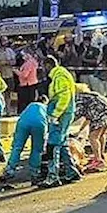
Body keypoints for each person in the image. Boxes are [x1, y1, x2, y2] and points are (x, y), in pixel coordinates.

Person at [38, 55, 81, 187]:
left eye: (43, 66)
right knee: (62, 143)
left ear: (48, 65)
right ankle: (71, 172)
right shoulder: (61, 74)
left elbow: (64, 97)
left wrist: (55, 115)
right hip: (64, 114)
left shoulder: (59, 76)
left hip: (61, 115)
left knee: (53, 145)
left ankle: (53, 176)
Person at [0, 95, 48, 182]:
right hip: (39, 124)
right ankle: (35, 173)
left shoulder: (29, 106)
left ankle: (9, 170)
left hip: (23, 123)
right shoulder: (46, 108)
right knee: (37, 150)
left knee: (17, 147)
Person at [73, 83, 107, 173]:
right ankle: (101, 156)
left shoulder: (80, 98)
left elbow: (76, 114)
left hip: (100, 115)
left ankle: (98, 160)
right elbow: (88, 118)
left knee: (93, 137)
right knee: (101, 135)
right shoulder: (91, 95)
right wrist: (80, 130)